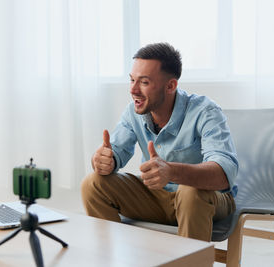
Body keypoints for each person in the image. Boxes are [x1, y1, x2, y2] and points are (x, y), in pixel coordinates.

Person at [81, 42, 238, 242]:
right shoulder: (133, 112)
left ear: (171, 85)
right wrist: (104, 161)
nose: (134, 90)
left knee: (190, 190)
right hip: (156, 197)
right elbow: (115, 152)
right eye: (132, 80)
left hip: (206, 199)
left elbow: (224, 174)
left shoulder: (205, 111)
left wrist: (171, 171)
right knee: (92, 183)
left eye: (144, 82)